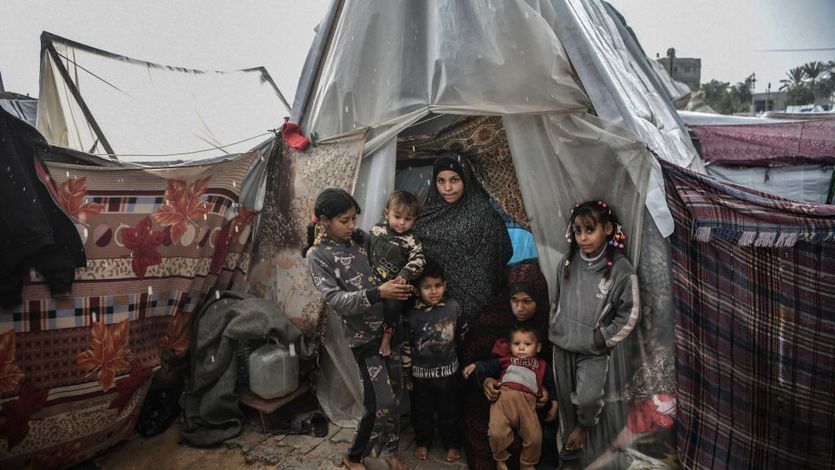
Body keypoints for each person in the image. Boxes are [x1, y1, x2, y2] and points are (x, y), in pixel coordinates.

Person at [413, 152, 512, 470]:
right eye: (441, 180)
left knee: (474, 376)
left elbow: (502, 249)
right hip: (442, 310)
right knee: (446, 375)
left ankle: (481, 437)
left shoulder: (483, 213)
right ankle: (447, 437)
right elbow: (414, 249)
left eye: (454, 180)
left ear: (465, 180)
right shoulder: (427, 217)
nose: (447, 187)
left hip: (480, 308)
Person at [304, 188, 412, 470]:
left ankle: (390, 449)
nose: (352, 225)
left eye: (354, 218)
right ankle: (353, 455)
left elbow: (390, 260)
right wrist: (380, 292)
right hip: (363, 338)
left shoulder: (362, 240)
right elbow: (337, 300)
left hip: (391, 329)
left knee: (396, 395)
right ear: (325, 221)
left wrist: (401, 281)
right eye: (345, 220)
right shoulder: (317, 256)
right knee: (380, 401)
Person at [549, 200, 640, 470]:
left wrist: (601, 339)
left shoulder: (620, 270)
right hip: (562, 346)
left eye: (590, 230)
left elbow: (630, 314)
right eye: (578, 231)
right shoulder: (567, 262)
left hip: (592, 351)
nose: (583, 237)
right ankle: (567, 462)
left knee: (588, 400)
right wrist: (555, 326)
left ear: (608, 229)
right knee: (566, 407)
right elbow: (557, 300)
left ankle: (585, 430)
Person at [462, 324, 558, 470]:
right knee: (496, 432)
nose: (521, 348)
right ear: (510, 346)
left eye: (527, 344)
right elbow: (488, 365)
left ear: (538, 347)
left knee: (535, 438)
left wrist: (555, 404)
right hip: (502, 401)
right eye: (516, 344)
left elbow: (552, 385)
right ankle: (500, 459)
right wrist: (475, 365)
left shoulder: (542, 366)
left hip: (527, 406)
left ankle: (527, 463)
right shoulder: (507, 360)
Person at [400, 261, 467, 463]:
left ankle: (452, 444)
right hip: (421, 377)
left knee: (450, 412)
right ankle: (423, 442)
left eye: (438, 286)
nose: (434, 291)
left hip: (449, 374)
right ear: (417, 290)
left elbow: (462, 333)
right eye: (427, 287)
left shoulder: (453, 307)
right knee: (422, 412)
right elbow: (406, 346)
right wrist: (406, 375)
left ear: (445, 285)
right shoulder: (411, 315)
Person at [368, 190, 426, 357]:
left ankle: (387, 336)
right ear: (387, 214)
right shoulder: (377, 229)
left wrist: (405, 274)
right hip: (373, 279)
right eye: (397, 216)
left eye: (407, 219)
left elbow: (419, 259)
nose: (401, 223)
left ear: (414, 220)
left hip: (394, 285)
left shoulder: (411, 240)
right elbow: (366, 249)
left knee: (393, 306)